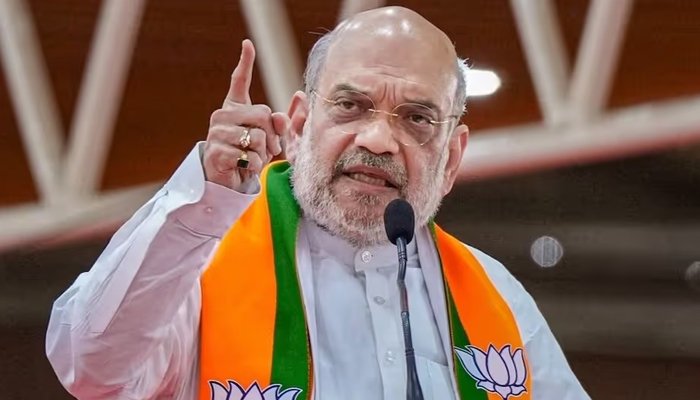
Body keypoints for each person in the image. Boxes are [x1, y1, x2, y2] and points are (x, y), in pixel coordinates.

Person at [46, 6, 589, 400]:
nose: (378, 140)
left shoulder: (494, 294)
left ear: (450, 158)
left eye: (417, 118)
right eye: (351, 105)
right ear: (300, 126)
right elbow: (91, 367)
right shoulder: (200, 260)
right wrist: (202, 201)